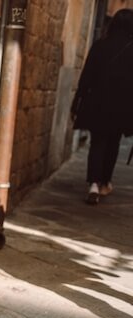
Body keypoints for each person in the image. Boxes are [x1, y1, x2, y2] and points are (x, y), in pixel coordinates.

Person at [72, 8, 133, 205]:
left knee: (97, 142)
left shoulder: (100, 46)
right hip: (122, 107)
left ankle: (93, 185)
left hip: (97, 103)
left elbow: (86, 76)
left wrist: (78, 100)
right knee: (112, 143)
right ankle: (105, 181)